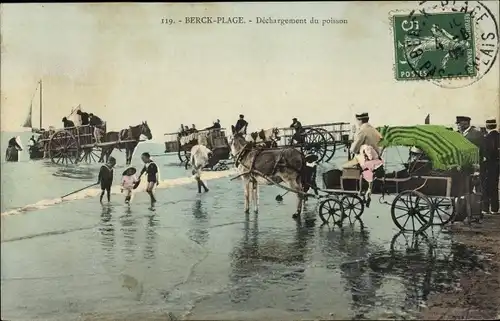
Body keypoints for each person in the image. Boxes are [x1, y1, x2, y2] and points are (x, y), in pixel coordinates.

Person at [481, 118, 499, 215]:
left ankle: (485, 208)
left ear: (487, 126)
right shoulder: (499, 136)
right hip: (497, 165)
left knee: (486, 187)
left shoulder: (486, 138)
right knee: (495, 186)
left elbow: (486, 153)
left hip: (488, 165)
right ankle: (495, 209)